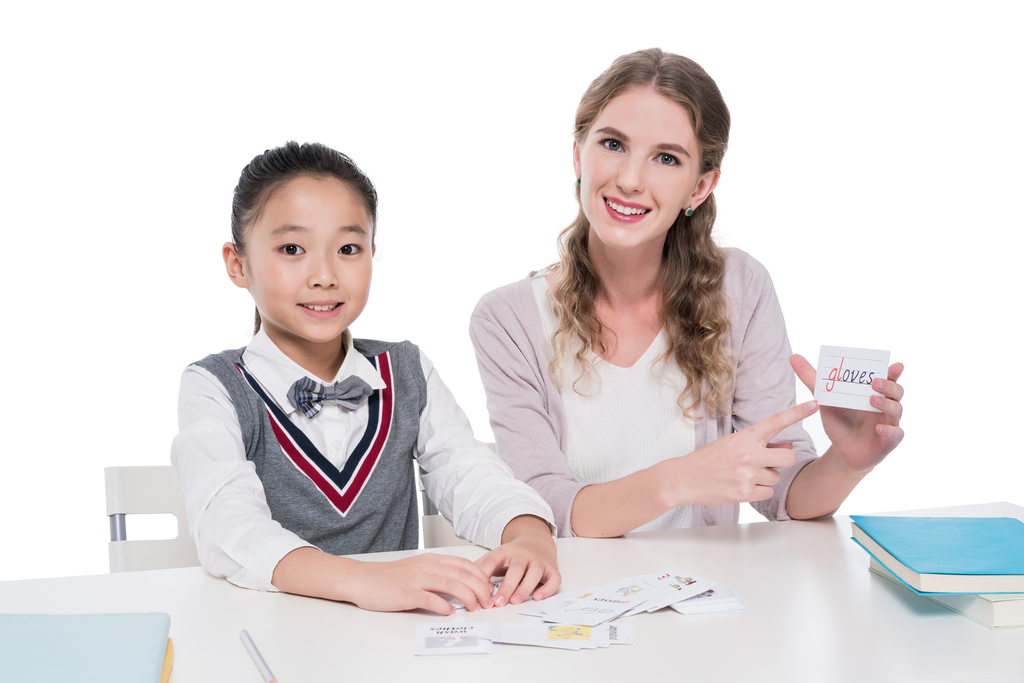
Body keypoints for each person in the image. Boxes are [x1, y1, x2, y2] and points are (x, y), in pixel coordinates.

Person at [470, 49, 905, 538]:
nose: (630, 180)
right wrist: (682, 479)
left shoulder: (740, 289)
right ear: (578, 153)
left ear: (700, 187)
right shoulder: (507, 319)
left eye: (666, 158)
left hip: (705, 604)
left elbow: (784, 492)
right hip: (576, 604)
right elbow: (541, 509)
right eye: (612, 144)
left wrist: (846, 462)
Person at [172, 141, 560, 614]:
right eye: (292, 248)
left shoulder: (405, 370)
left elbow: (468, 472)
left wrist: (529, 533)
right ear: (238, 264)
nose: (324, 275)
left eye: (348, 248)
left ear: (373, 253)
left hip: (395, 640)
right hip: (275, 632)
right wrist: (363, 580)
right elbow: (227, 527)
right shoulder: (215, 386)